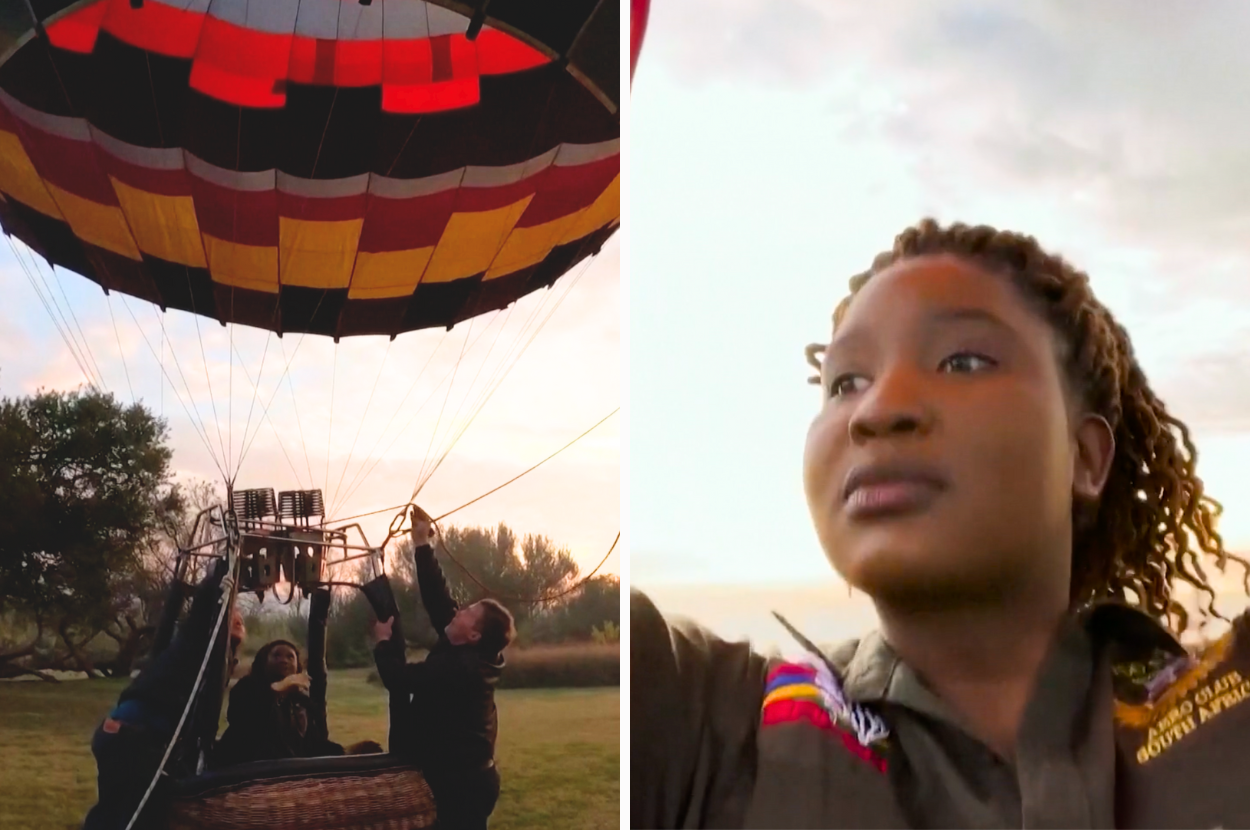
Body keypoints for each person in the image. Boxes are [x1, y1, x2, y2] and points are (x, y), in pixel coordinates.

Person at [631, 218, 1250, 828]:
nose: (876, 411)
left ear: (1085, 456)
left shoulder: (1229, 712)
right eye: (845, 382)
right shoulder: (702, 726)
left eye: (962, 362)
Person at [372, 507, 515, 830]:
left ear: (474, 634)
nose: (458, 611)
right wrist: (421, 544)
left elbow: (397, 678)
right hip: (465, 780)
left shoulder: (462, 669)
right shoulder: (467, 647)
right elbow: (439, 600)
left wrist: (383, 643)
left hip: (464, 787)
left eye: (467, 612)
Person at [83, 559, 244, 830]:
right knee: (136, 814)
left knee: (117, 809)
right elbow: (201, 614)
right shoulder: (194, 648)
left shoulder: (219, 664)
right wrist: (223, 571)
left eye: (240, 620)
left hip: (134, 736)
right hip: (131, 734)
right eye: (232, 617)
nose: (237, 621)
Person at [211, 638, 353, 767]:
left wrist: (345, 753)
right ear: (263, 661)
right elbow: (245, 723)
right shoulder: (247, 687)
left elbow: (311, 745)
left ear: (297, 665)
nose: (284, 660)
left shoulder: (301, 703)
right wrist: (279, 688)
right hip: (245, 773)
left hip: (285, 777)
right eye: (276, 655)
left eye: (290, 657)